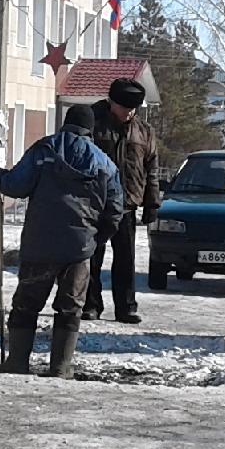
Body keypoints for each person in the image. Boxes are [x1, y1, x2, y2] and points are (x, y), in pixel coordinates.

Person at [0, 105, 124, 378]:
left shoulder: (44, 150)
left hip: (39, 242)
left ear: (65, 123)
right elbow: (115, 211)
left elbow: (15, 186)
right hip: (79, 248)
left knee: (27, 303)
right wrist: (95, 239)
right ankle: (61, 367)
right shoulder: (105, 163)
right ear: (90, 129)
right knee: (70, 307)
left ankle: (17, 362)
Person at [82, 78, 160, 324]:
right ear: (112, 103)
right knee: (92, 258)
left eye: (133, 110)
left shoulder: (144, 131)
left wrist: (152, 203)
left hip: (127, 205)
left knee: (125, 260)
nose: (129, 114)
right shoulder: (93, 124)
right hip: (96, 204)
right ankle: (91, 304)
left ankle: (126, 307)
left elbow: (151, 169)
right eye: (125, 109)